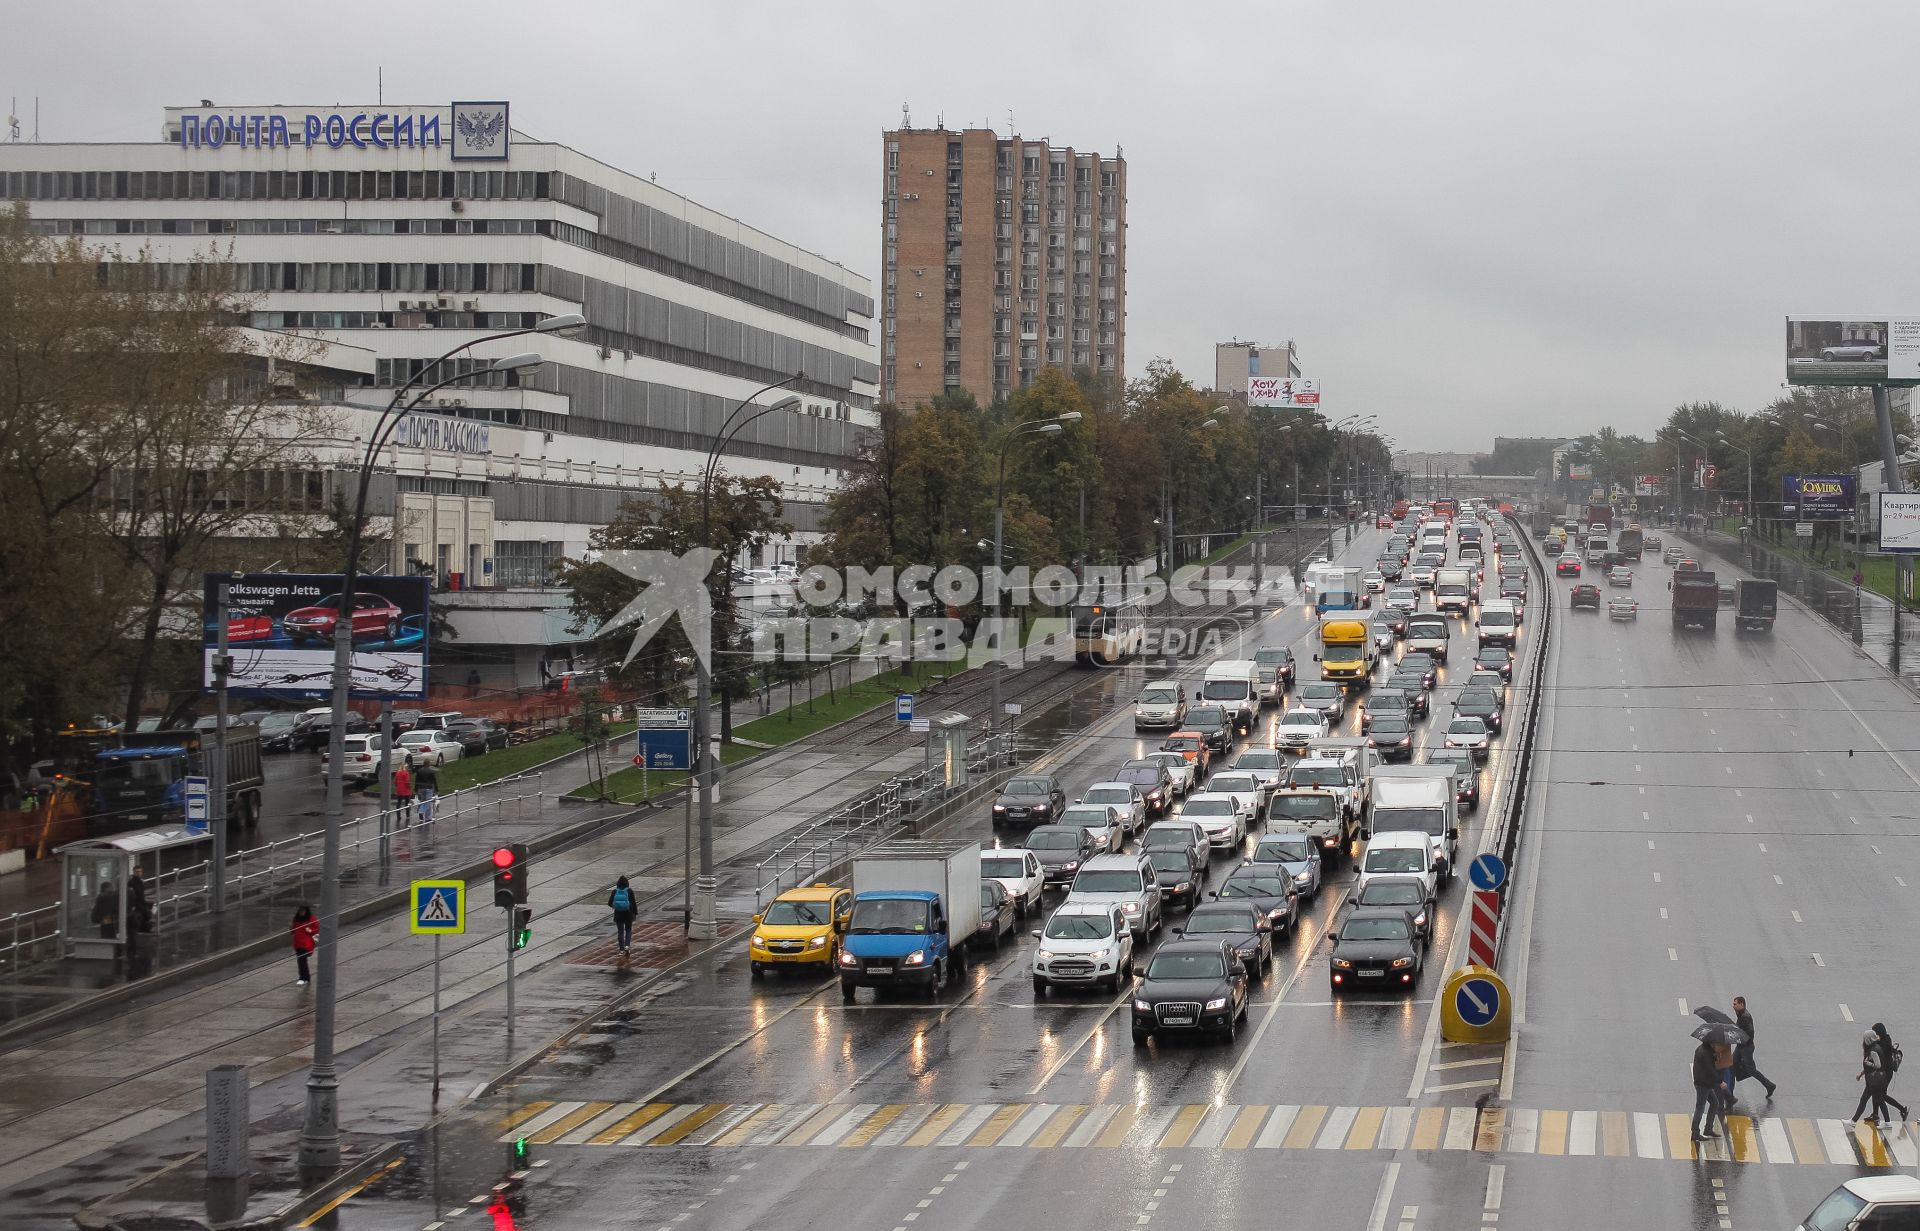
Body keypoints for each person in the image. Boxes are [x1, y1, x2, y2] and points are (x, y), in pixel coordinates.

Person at [1855, 1024, 1911, 1127]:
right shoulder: (1885, 1040)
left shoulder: (1882, 1044)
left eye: (1875, 1033)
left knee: (1881, 1095)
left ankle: (1902, 1109)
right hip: (1883, 1073)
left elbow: (1876, 1063)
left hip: (1885, 1073)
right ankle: (1875, 1114)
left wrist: (1862, 1072)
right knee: (1876, 1093)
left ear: (1879, 1032)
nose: (1875, 1036)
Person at [1733, 996, 1776, 1099]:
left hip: (1746, 1048)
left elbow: (1750, 1032)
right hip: (1741, 1046)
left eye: (1735, 1004)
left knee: (1751, 1070)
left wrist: (1740, 1037)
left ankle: (1769, 1085)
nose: (1733, 1006)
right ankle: (1729, 1094)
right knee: (1731, 1064)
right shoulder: (1741, 1014)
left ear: (1741, 1004)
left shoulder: (1745, 1017)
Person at [1691, 1039, 1721, 1141]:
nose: (1717, 1044)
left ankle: (1708, 1129)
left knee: (1714, 1103)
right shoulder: (1705, 1053)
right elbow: (1710, 1070)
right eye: (1716, 1042)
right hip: (1703, 1083)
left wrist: (1715, 1057)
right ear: (1711, 1042)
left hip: (1703, 1082)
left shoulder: (1703, 1049)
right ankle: (1695, 1132)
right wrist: (1720, 1081)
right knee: (1700, 1107)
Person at [607, 875, 637, 954]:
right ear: (627, 883)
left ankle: (621, 950)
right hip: (628, 914)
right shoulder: (629, 891)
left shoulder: (615, 891)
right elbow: (634, 903)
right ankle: (627, 946)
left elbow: (609, 903)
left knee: (620, 931)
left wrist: (616, 906)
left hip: (618, 914)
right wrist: (635, 913)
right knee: (628, 930)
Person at [290, 904, 318, 986]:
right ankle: (306, 977)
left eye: (303, 911)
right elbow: (292, 930)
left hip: (306, 944)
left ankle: (303, 977)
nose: (302, 913)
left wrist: (310, 930)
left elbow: (317, 928)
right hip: (298, 943)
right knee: (301, 961)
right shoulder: (297, 919)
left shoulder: (311, 918)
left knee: (302, 960)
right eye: (301, 911)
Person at [1711, 1037, 1737, 1122]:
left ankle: (1722, 1105)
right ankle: (1729, 1098)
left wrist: (1712, 1046)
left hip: (1722, 1064)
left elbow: (1718, 1049)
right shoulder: (1723, 1036)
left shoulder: (1723, 1039)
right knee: (1719, 1084)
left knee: (1718, 1085)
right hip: (1722, 1063)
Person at [412, 757, 438, 824]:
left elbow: (416, 781)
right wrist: (436, 790)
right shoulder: (431, 771)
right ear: (429, 764)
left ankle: (421, 812)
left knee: (422, 801)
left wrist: (416, 789)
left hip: (421, 788)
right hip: (428, 788)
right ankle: (427, 818)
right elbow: (434, 781)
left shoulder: (419, 771)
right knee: (428, 803)